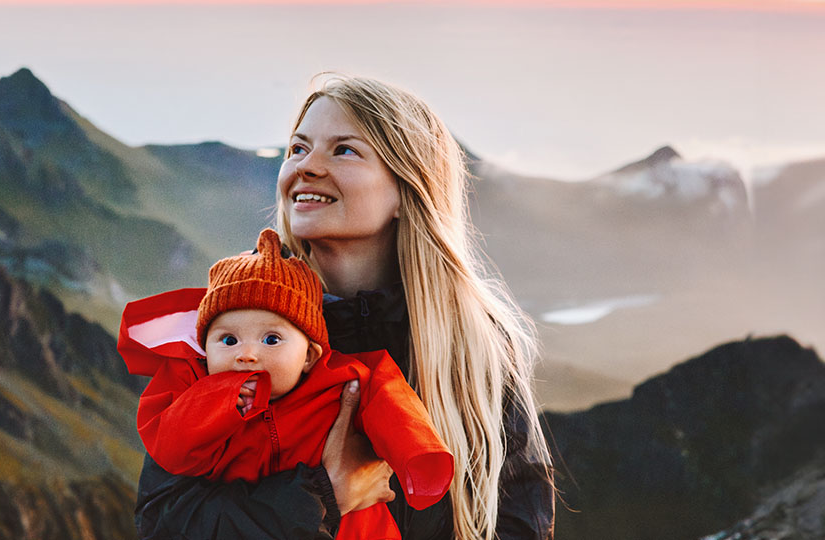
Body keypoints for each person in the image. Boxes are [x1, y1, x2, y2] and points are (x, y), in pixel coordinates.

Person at [131, 75, 555, 540]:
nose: (305, 167)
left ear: (406, 189)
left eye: (344, 150)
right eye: (298, 149)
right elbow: (163, 522)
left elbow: (518, 520)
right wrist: (323, 496)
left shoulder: (474, 344)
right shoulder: (235, 325)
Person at [119, 228, 454, 540]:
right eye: (228, 340)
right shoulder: (194, 392)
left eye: (271, 338)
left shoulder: (341, 379)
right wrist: (221, 402)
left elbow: (391, 399)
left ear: (309, 355)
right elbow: (171, 451)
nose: (247, 354)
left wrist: (417, 457)